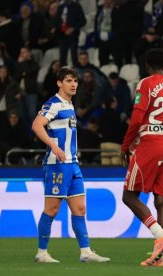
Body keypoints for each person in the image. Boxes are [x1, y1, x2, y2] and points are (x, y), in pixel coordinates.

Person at [31, 67, 110, 263]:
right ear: (59, 83)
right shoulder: (54, 104)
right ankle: (41, 253)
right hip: (57, 164)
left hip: (73, 164)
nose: (74, 84)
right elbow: (36, 125)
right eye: (68, 80)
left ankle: (86, 253)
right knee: (51, 210)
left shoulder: (69, 105)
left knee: (80, 209)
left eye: (75, 80)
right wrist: (51, 144)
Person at [121, 48, 163, 266]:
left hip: (151, 142)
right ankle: (158, 257)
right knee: (162, 201)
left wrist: (125, 145)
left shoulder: (146, 83)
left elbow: (137, 117)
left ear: (147, 66)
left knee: (129, 196)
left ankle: (160, 235)